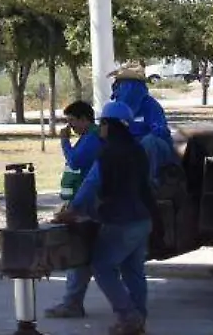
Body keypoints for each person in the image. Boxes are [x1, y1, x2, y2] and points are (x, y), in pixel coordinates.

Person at [60, 102, 155, 335]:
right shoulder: (138, 149)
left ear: (109, 125)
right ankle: (139, 318)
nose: (99, 127)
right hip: (144, 219)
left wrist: (72, 210)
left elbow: (91, 183)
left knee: (101, 266)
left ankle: (128, 317)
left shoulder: (108, 153)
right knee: (133, 270)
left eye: (102, 123)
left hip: (121, 222)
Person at [45, 100, 103, 320]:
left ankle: (72, 303)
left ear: (84, 119)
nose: (71, 127)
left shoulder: (91, 138)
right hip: (83, 200)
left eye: (72, 122)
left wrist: (64, 142)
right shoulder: (89, 137)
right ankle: (73, 301)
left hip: (88, 203)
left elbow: (75, 161)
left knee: (80, 255)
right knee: (85, 256)